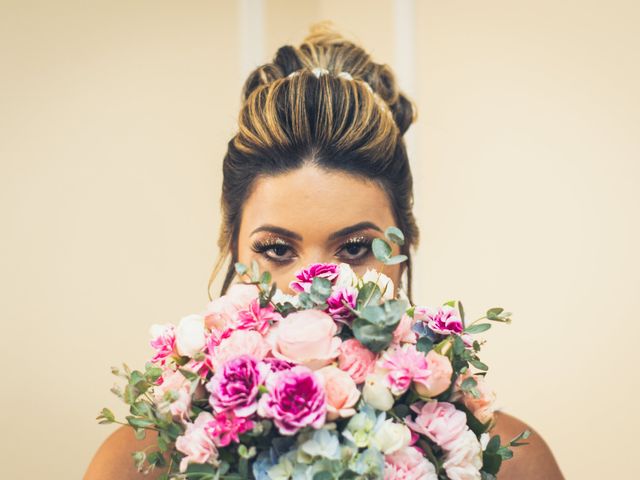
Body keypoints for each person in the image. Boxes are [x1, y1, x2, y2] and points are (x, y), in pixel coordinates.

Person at [84, 22, 564, 479]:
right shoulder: (143, 464)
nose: (316, 291)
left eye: (354, 248)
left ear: (404, 244)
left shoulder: (507, 462)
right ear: (231, 247)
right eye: (276, 249)